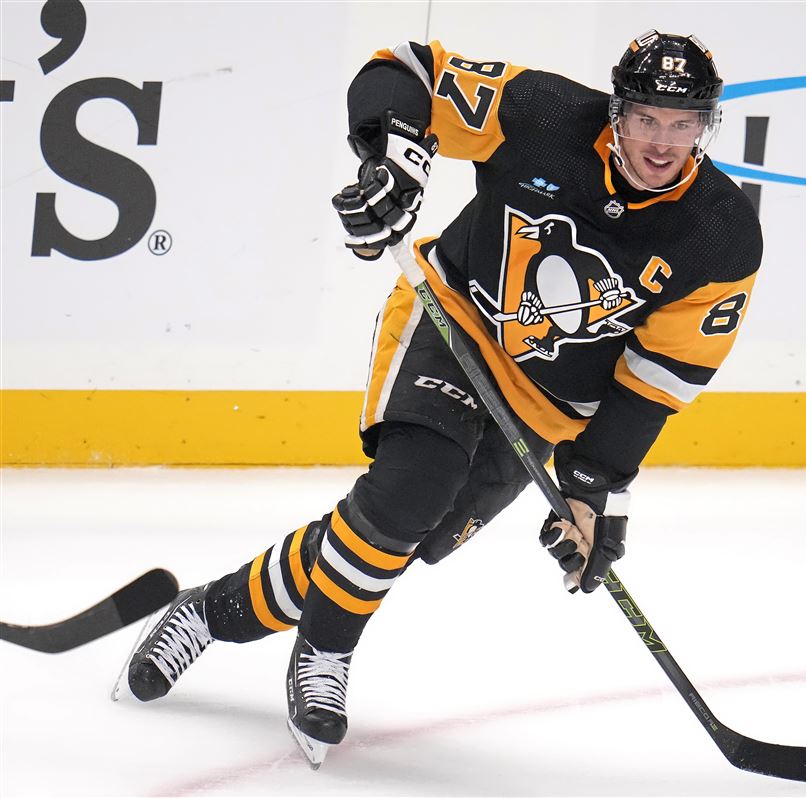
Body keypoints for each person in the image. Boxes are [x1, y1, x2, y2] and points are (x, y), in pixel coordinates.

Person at [112, 29, 764, 767]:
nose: (662, 141)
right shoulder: (545, 114)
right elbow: (410, 70)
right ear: (615, 110)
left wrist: (593, 485)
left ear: (708, 125)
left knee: (399, 539)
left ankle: (209, 611)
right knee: (405, 496)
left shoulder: (722, 235)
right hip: (452, 322)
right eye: (646, 117)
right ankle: (324, 654)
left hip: (545, 409)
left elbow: (658, 381)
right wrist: (392, 161)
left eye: (684, 124)